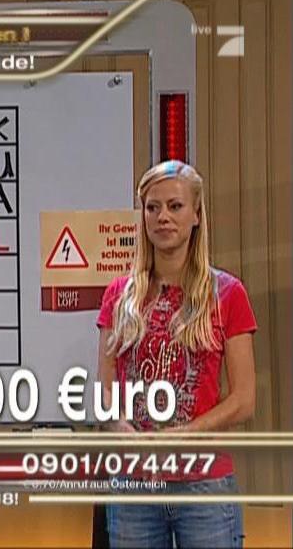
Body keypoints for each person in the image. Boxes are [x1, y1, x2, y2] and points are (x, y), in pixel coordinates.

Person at [96, 161, 256, 548]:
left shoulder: (228, 293)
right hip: (135, 485)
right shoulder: (118, 296)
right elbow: (104, 391)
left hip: (204, 485)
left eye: (175, 206)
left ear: (196, 214)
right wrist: (122, 430)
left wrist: (185, 434)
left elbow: (244, 399)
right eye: (152, 207)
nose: (162, 217)